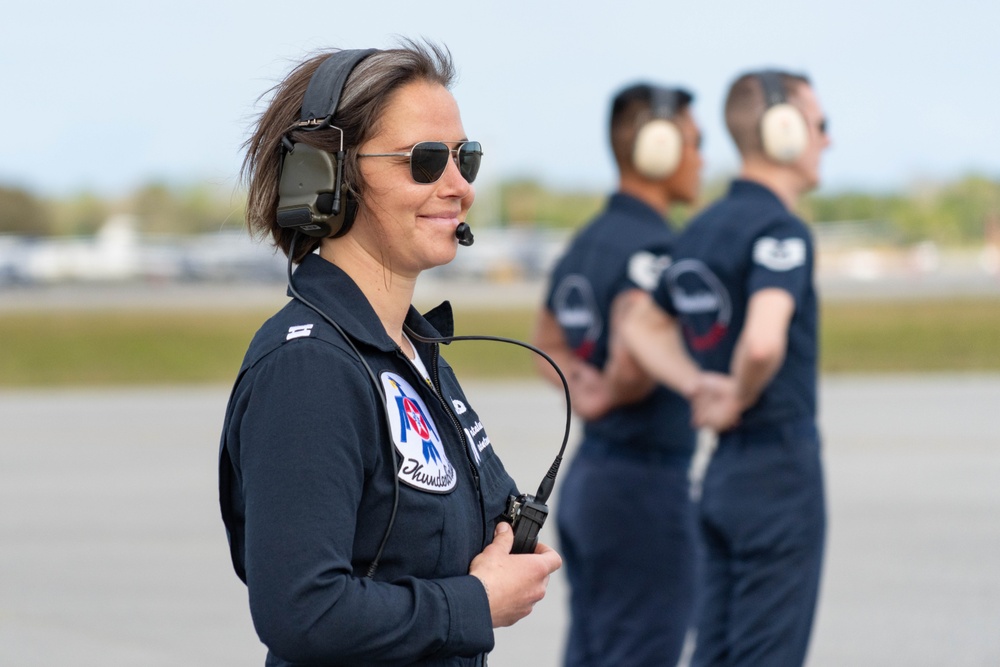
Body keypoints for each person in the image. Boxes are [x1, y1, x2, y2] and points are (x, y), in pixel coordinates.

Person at [218, 41, 561, 667]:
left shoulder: (407, 350)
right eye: (425, 161)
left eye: (467, 158)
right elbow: (302, 611)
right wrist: (474, 604)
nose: (459, 187)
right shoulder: (311, 368)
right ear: (326, 176)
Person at [619, 69, 831, 666]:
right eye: (821, 126)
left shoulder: (700, 231)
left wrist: (697, 385)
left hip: (721, 476)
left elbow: (640, 325)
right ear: (783, 131)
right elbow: (764, 342)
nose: (827, 140)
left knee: (713, 649)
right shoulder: (781, 229)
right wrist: (737, 390)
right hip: (778, 470)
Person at [531, 82, 706, 666]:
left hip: (592, 482)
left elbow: (544, 341)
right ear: (658, 148)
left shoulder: (588, 241)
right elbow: (637, 327)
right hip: (644, 490)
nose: (702, 159)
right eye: (695, 143)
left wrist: (582, 384)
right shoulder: (657, 247)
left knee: (593, 648)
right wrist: (616, 386)